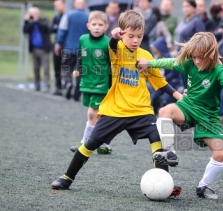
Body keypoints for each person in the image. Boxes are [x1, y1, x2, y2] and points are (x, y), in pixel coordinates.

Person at [51, 10, 183, 197]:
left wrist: (179, 96)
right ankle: (67, 177)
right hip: (115, 110)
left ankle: (164, 183)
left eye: (139, 36)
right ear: (122, 33)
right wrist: (113, 38)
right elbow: (112, 48)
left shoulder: (146, 56)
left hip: (141, 110)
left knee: (158, 139)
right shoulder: (117, 49)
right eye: (131, 36)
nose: (135, 40)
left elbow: (160, 83)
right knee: (90, 144)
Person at [137, 32, 223, 199]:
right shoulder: (188, 63)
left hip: (208, 116)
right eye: (194, 57)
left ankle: (203, 186)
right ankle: (168, 151)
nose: (196, 61)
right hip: (188, 106)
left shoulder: (219, 70)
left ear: (211, 54)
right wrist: (149, 63)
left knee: (221, 155)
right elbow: (168, 62)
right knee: (164, 111)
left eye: (201, 57)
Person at [69, 11, 112, 154]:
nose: (97, 27)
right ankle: (104, 142)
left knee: (92, 114)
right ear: (88, 25)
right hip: (86, 82)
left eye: (100, 25)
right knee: (99, 114)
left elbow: (113, 64)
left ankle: (85, 142)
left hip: (101, 84)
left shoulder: (108, 42)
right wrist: (77, 68)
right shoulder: (83, 39)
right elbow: (81, 56)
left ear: (106, 26)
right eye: (94, 24)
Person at [55, 0, 89, 101]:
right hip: (83, 48)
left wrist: (58, 43)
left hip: (69, 47)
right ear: (84, 5)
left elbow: (62, 30)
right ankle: (76, 94)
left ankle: (68, 82)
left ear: (74, 5)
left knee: (66, 68)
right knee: (80, 71)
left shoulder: (68, 15)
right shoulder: (89, 16)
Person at [23, 7, 52, 92]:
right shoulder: (30, 24)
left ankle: (47, 85)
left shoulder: (43, 20)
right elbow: (25, 31)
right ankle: (37, 85)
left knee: (46, 68)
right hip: (35, 49)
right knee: (36, 69)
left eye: (34, 13)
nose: (33, 16)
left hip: (44, 49)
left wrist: (37, 20)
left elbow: (46, 28)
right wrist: (26, 21)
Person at [51, 0, 66, 96]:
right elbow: (51, 29)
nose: (56, 7)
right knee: (57, 67)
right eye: (55, 6)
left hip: (67, 46)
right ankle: (59, 87)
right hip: (57, 45)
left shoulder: (68, 17)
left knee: (67, 67)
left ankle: (69, 86)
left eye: (58, 5)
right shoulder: (56, 17)